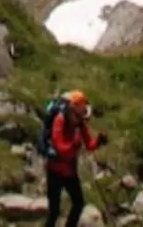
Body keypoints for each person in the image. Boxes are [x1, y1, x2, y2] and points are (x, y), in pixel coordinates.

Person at [46, 89, 105, 227]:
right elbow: (59, 147)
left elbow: (89, 145)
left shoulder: (79, 123)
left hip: (70, 172)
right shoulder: (59, 120)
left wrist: (99, 141)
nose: (81, 117)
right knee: (54, 212)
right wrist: (73, 145)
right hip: (55, 171)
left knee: (78, 204)